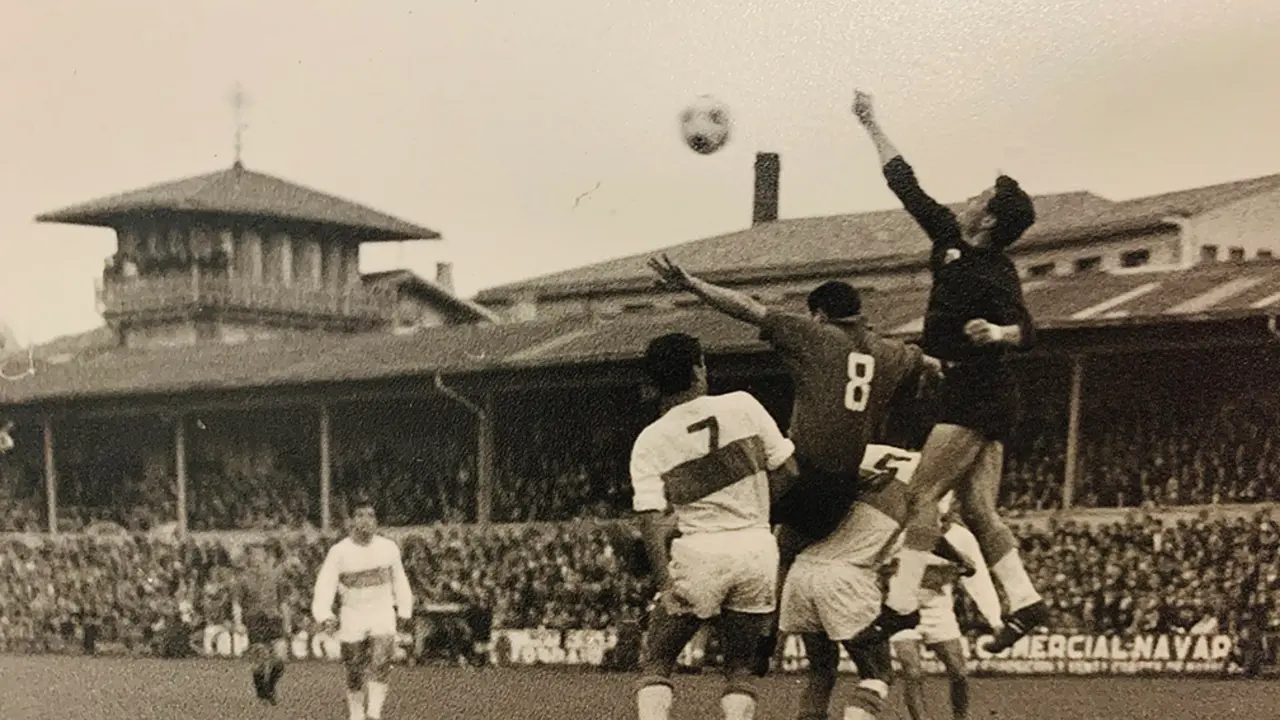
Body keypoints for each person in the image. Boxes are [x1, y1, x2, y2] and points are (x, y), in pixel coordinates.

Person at [648, 256, 941, 672]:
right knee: (785, 548)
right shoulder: (891, 352)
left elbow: (747, 308)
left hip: (800, 473)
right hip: (837, 492)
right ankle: (767, 646)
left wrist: (692, 284)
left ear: (820, 314)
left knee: (719, 520)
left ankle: (711, 617)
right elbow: (928, 363)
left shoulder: (816, 335)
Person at [852, 90, 1047, 652]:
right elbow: (903, 182)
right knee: (977, 509)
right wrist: (872, 123)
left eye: (979, 196)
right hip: (975, 389)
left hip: (979, 391)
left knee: (922, 494)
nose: (968, 199)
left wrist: (1001, 333)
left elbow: (1028, 329)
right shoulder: (946, 237)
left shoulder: (995, 271)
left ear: (988, 217)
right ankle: (1027, 603)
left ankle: (901, 606)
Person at [629, 332, 799, 720]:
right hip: (757, 551)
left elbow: (651, 518)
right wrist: (756, 510)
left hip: (700, 551)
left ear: (655, 382)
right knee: (739, 668)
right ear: (698, 370)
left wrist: (665, 584)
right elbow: (789, 470)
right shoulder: (743, 405)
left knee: (657, 660)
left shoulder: (650, 440)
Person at [889, 505, 1004, 720]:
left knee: (959, 672)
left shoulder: (962, 538)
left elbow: (978, 579)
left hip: (939, 609)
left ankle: (960, 717)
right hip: (902, 608)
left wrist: (994, 618)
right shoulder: (900, 532)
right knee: (912, 672)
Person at [312, 501, 415, 720]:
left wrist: (404, 611)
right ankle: (356, 714)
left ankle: (374, 714)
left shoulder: (388, 548)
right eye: (360, 515)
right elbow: (325, 585)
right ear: (352, 521)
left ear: (376, 521)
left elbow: (401, 581)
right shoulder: (339, 551)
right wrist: (324, 614)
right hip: (353, 613)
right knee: (354, 669)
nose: (365, 520)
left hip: (382, 611)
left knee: (381, 660)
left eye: (370, 515)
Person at [232, 544, 291, 704]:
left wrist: (288, 623)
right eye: (254, 555)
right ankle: (262, 693)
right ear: (249, 558)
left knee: (280, 658)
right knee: (260, 658)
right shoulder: (242, 579)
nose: (258, 559)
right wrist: (238, 622)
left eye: (261, 555)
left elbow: (283, 602)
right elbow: (237, 603)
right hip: (255, 620)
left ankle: (269, 687)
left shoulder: (276, 577)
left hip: (274, 619)